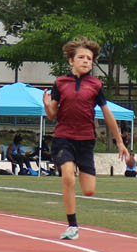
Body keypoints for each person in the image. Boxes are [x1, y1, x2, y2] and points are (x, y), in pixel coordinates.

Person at [43, 37, 131, 240]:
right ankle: (72, 226)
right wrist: (48, 104)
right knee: (67, 177)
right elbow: (52, 115)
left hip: (85, 139)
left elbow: (107, 113)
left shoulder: (96, 85)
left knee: (89, 190)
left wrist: (120, 142)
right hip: (64, 137)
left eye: (89, 59)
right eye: (81, 57)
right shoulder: (60, 83)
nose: (85, 61)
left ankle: (76, 170)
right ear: (71, 61)